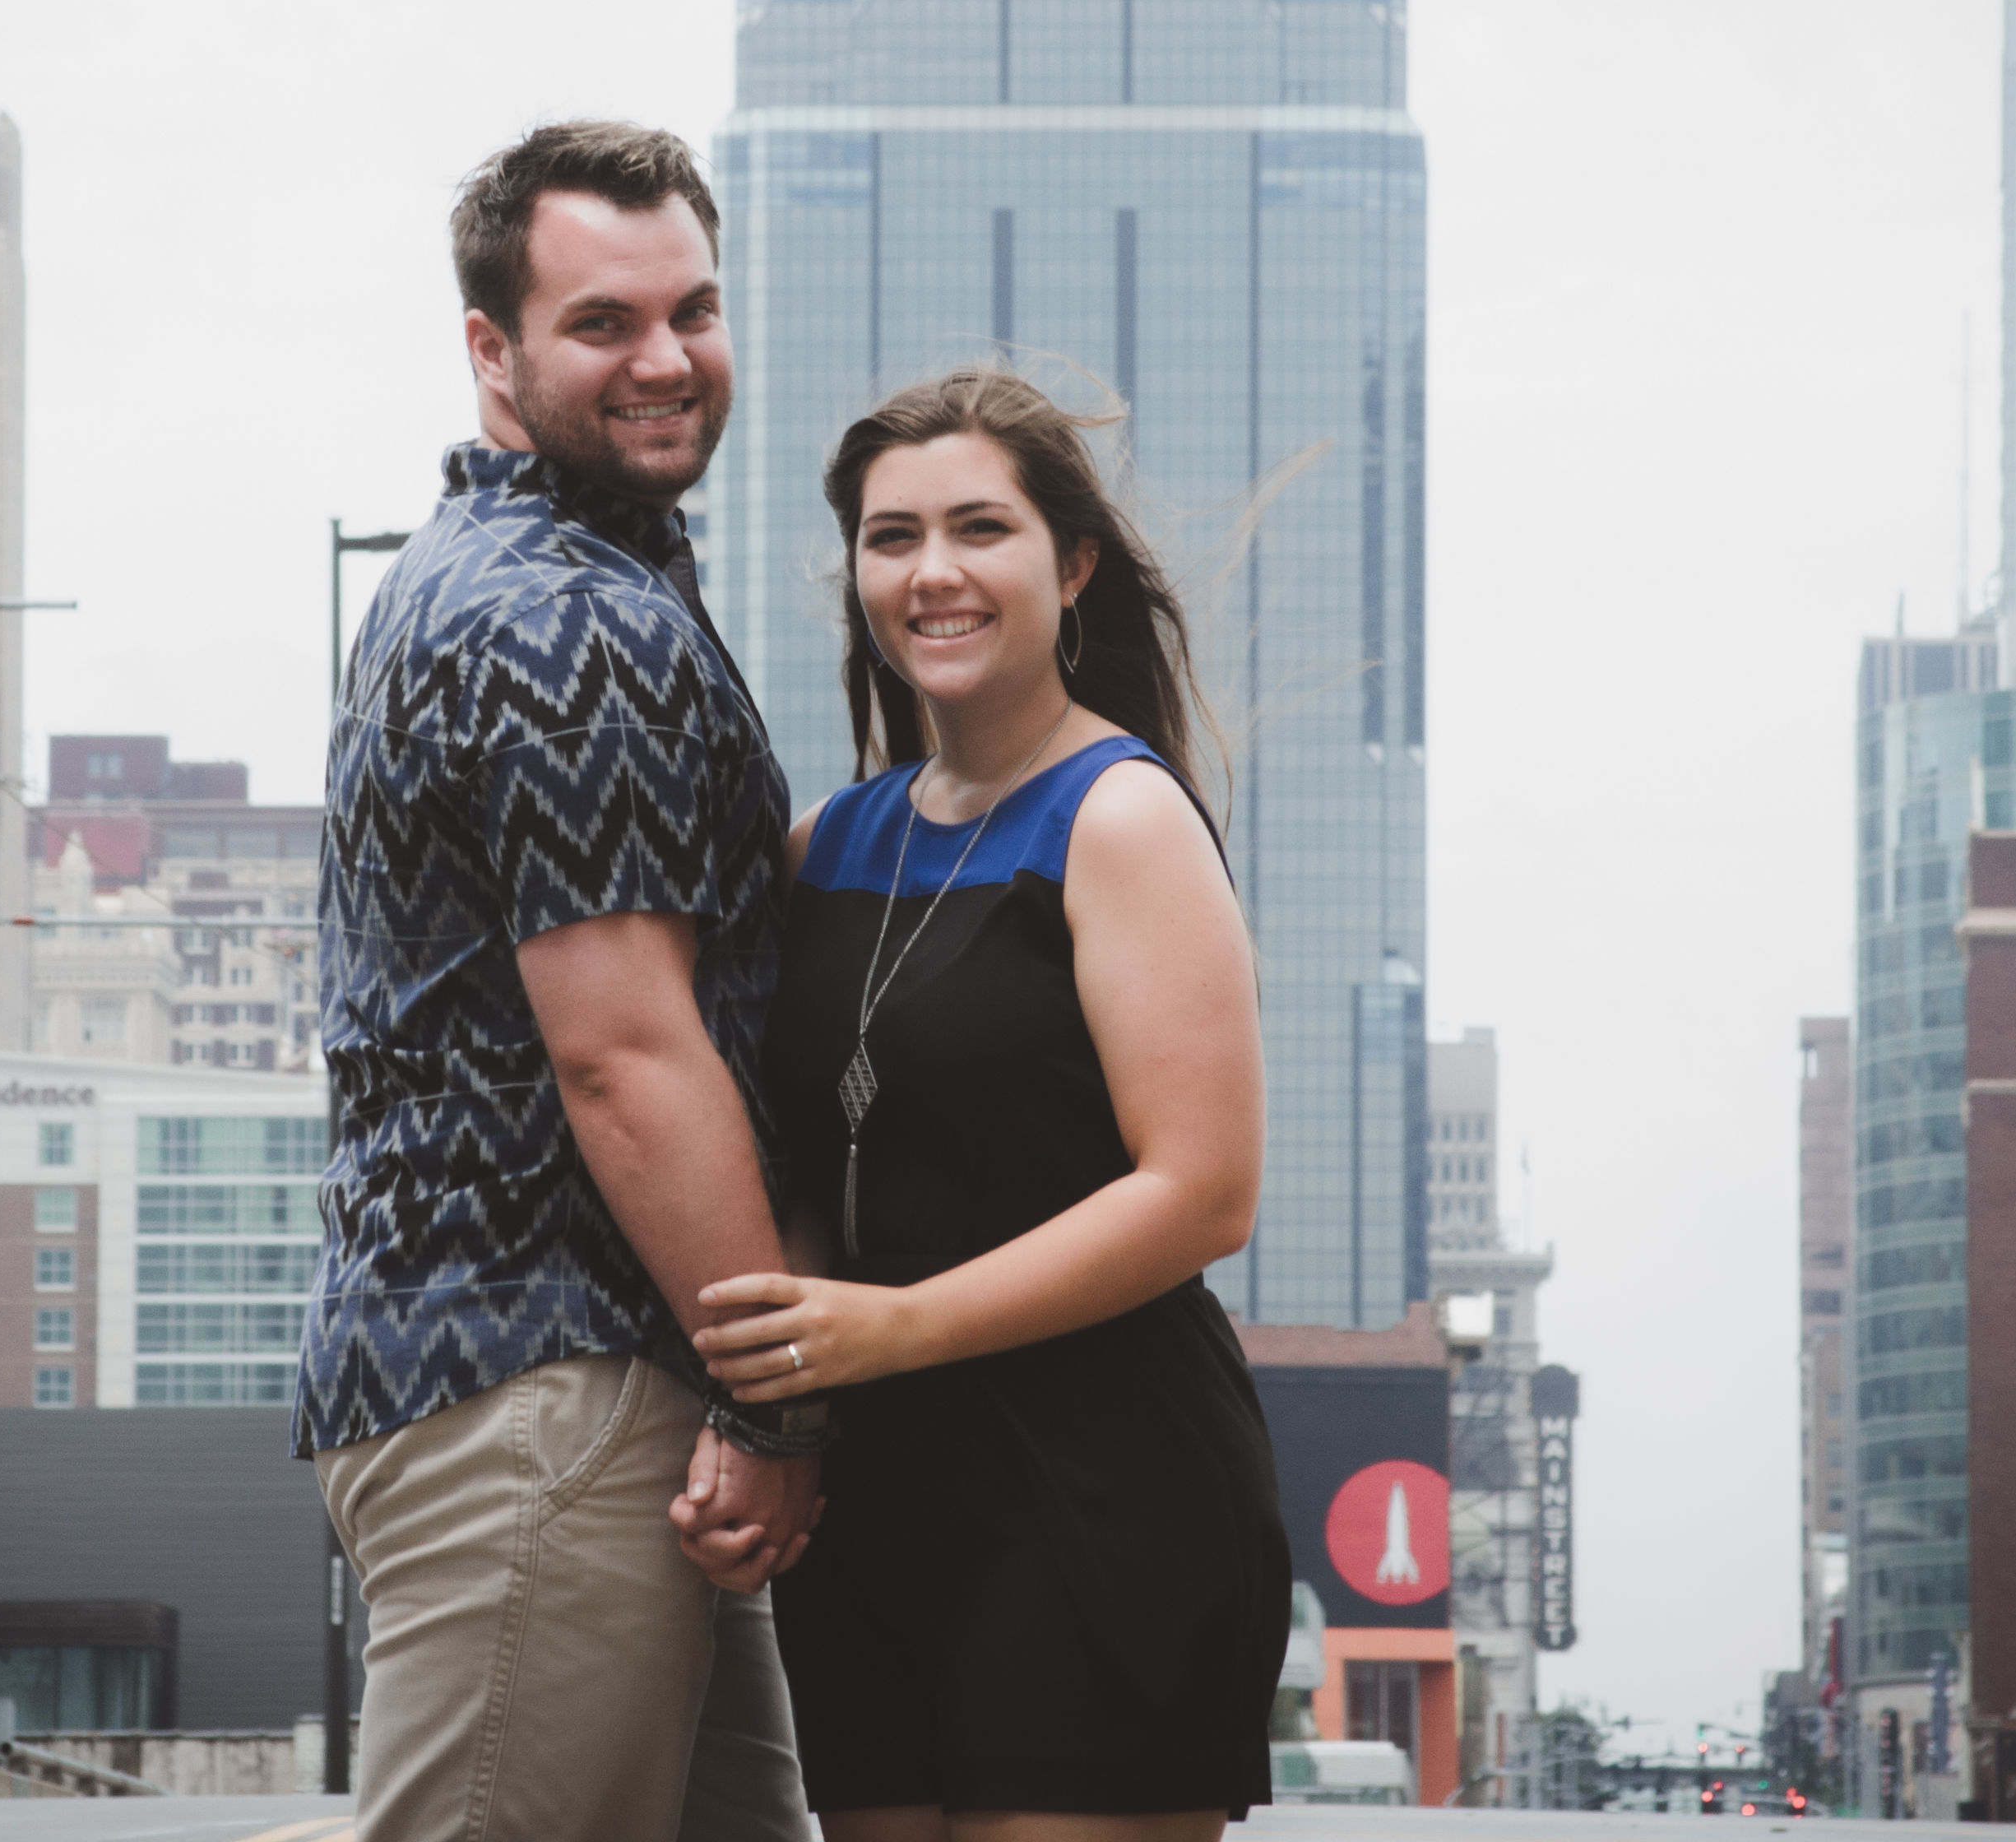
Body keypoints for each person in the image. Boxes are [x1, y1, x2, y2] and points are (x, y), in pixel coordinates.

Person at [298, 120, 824, 1842]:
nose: (665, 358)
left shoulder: (492, 572)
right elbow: (626, 1058)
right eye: (603, 322)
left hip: (548, 1377)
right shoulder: (565, 623)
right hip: (551, 1385)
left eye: (695, 311)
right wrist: (773, 1398)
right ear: (493, 349)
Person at [692, 367, 1289, 1841]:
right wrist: (781, 1408)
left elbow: (1202, 1191)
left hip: (1103, 1486)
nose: (932, 572)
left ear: (1070, 565)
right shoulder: (825, 842)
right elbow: (811, 1167)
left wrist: (893, 1329)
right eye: (892, 538)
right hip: (878, 1504)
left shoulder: (1123, 818)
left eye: (979, 528)